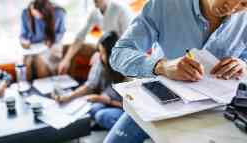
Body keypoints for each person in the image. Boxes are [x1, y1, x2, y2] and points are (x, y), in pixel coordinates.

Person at [105, 0, 247, 142]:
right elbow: (119, 55)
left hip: (216, 110)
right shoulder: (165, 4)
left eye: (244, 4)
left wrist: (243, 65)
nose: (232, 8)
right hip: (155, 100)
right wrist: (162, 66)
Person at [54, 32, 125, 129]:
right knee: (92, 109)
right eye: (99, 51)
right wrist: (69, 97)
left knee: (101, 115)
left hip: (125, 109)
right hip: (108, 101)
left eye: (103, 53)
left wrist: (107, 101)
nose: (99, 56)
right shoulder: (101, 62)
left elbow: (134, 108)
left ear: (112, 54)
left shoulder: (127, 71)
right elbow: (90, 86)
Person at [57, 0, 134, 75]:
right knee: (75, 49)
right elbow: (80, 37)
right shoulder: (95, 13)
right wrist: (66, 59)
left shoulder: (120, 9)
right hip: (107, 51)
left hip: (125, 53)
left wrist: (101, 54)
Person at [20, 0, 66, 79]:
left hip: (52, 46)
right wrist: (23, 41)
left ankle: (44, 88)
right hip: (33, 47)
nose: (36, 16)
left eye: (38, 14)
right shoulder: (25, 13)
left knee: (40, 60)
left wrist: (52, 40)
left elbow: (61, 33)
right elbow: (23, 35)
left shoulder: (59, 12)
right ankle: (28, 88)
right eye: (33, 12)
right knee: (25, 62)